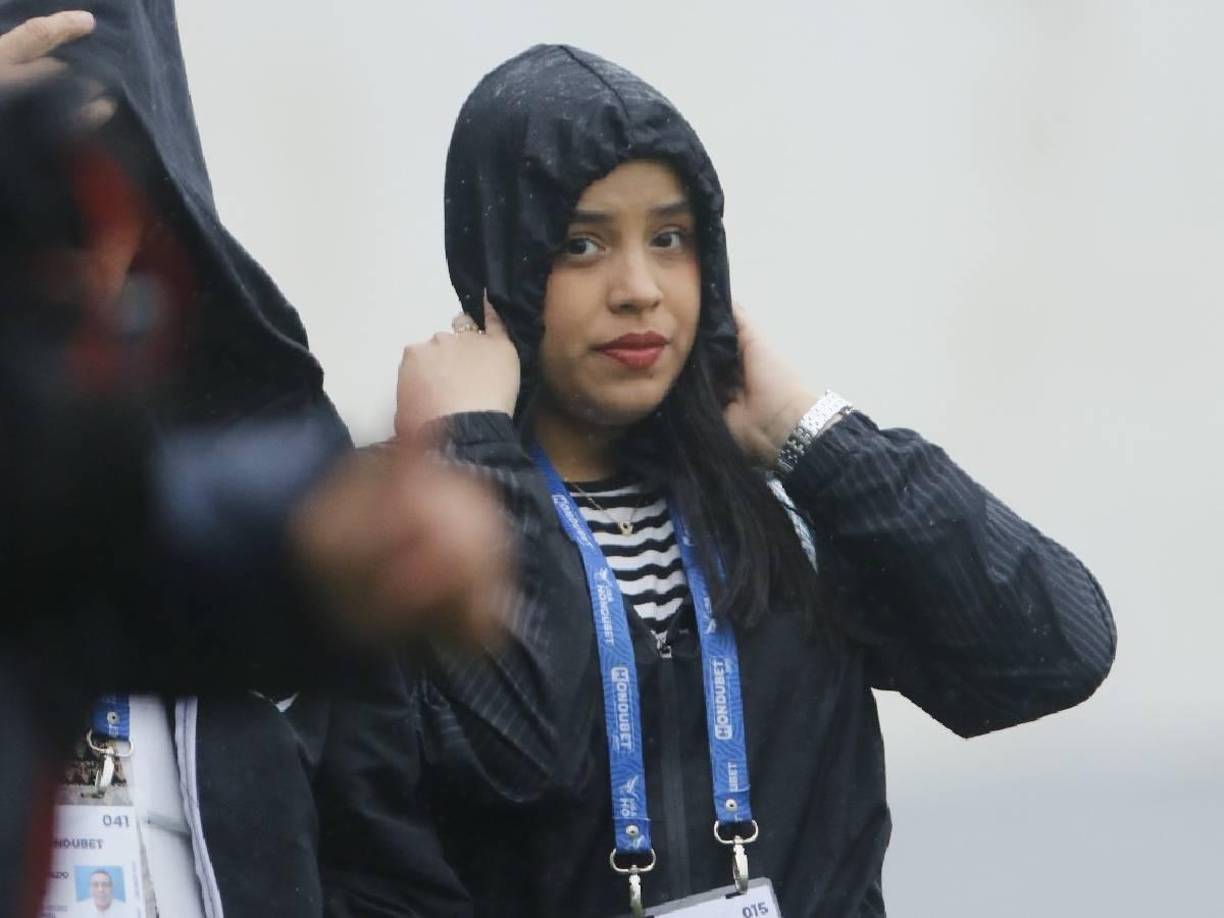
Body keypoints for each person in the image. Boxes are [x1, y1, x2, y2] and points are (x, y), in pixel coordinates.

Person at [394, 45, 1118, 917]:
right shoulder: (392, 539)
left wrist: (808, 432)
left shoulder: (784, 514)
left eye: (671, 239)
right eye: (580, 244)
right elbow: (511, 765)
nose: (639, 289)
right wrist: (467, 459)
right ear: (501, 263)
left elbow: (1055, 652)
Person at [0, 7, 490, 916]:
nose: (83, 253)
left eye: (108, 193)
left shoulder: (232, 468)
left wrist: (340, 556)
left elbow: (388, 854)